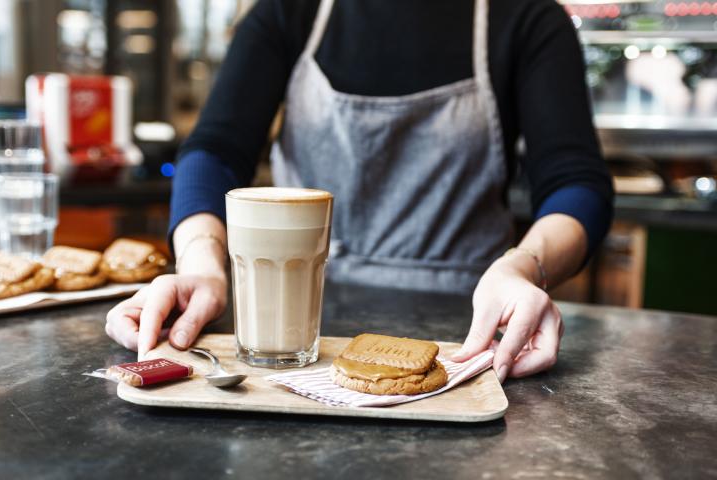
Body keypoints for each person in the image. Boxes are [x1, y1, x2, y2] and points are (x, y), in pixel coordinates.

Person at [106, 0, 613, 383]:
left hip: (467, 336)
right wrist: (199, 260)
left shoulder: (525, 17)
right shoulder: (291, 10)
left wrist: (525, 266)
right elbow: (214, 150)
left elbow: (576, 182)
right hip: (290, 332)